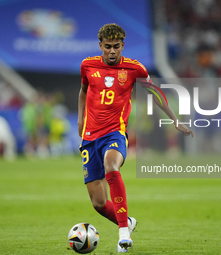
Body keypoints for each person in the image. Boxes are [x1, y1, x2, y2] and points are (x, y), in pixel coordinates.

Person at [78, 23, 194, 253]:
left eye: (117, 47)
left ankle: (123, 235)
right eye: (108, 47)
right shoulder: (87, 65)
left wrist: (175, 119)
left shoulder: (135, 69)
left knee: (111, 166)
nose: (112, 51)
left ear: (123, 45)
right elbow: (83, 91)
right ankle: (127, 222)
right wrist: (81, 120)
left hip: (115, 133)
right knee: (98, 203)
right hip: (89, 138)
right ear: (100, 45)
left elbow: (156, 94)